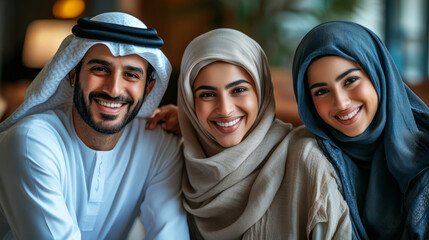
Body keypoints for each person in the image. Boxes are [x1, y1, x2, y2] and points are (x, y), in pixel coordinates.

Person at [0, 12, 189, 239]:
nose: (114, 89)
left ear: (147, 90)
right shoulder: (31, 142)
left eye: (130, 75)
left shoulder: (160, 145)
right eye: (100, 69)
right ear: (72, 74)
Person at [150, 28, 352, 239]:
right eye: (207, 94)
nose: (226, 109)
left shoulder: (304, 160)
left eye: (238, 90)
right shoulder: (178, 166)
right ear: (190, 103)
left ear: (261, 90)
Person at [292, 20, 429, 239]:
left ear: (378, 74)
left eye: (351, 80)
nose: (341, 103)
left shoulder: (424, 163)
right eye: (321, 91)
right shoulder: (311, 158)